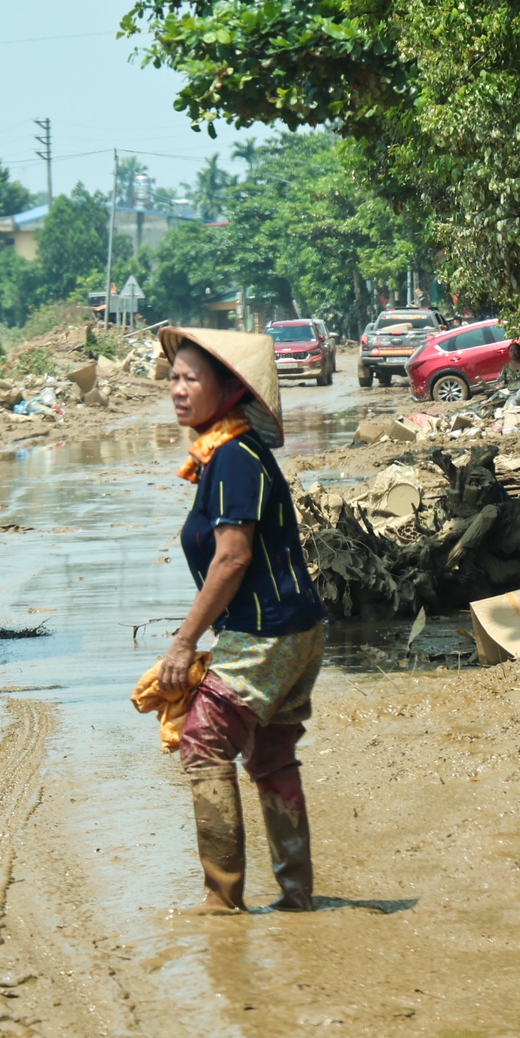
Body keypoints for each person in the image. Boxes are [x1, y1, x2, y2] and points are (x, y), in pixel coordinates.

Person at [158, 326, 327, 914]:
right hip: (296, 627)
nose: (177, 389)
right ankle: (296, 894)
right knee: (272, 754)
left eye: (191, 379)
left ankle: (221, 898)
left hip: (268, 632)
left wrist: (184, 643)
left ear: (228, 388)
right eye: (173, 378)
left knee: (203, 741)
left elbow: (232, 558)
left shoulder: (233, 458)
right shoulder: (230, 452)